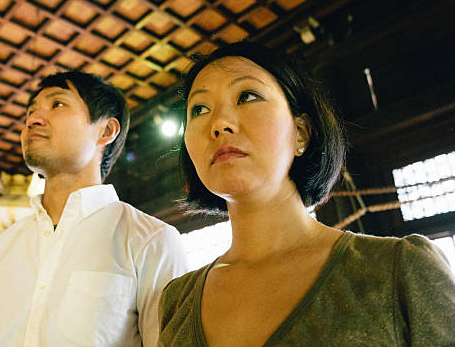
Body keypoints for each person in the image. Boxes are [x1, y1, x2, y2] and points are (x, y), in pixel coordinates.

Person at [158, 41, 455, 346]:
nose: (219, 123)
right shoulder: (178, 301)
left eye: (247, 96)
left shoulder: (399, 269)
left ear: (301, 131)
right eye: (200, 109)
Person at [0, 70, 189, 347]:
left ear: (106, 130)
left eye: (57, 104)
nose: (33, 120)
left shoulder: (150, 241)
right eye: (31, 112)